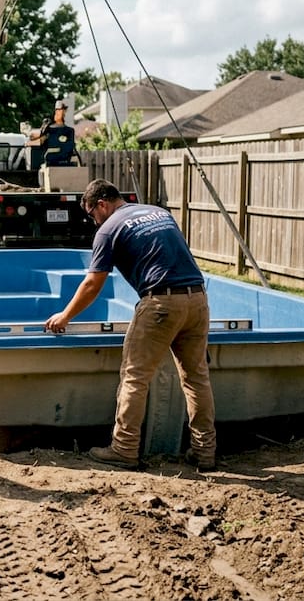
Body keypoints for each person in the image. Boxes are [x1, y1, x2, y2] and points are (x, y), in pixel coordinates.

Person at [43, 178, 217, 472]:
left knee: (134, 377)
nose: (93, 222)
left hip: (161, 303)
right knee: (196, 378)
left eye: (92, 214)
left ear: (102, 204)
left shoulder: (109, 229)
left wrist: (65, 316)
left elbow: (92, 284)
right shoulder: (159, 213)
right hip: (197, 300)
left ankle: (124, 449)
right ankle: (205, 452)